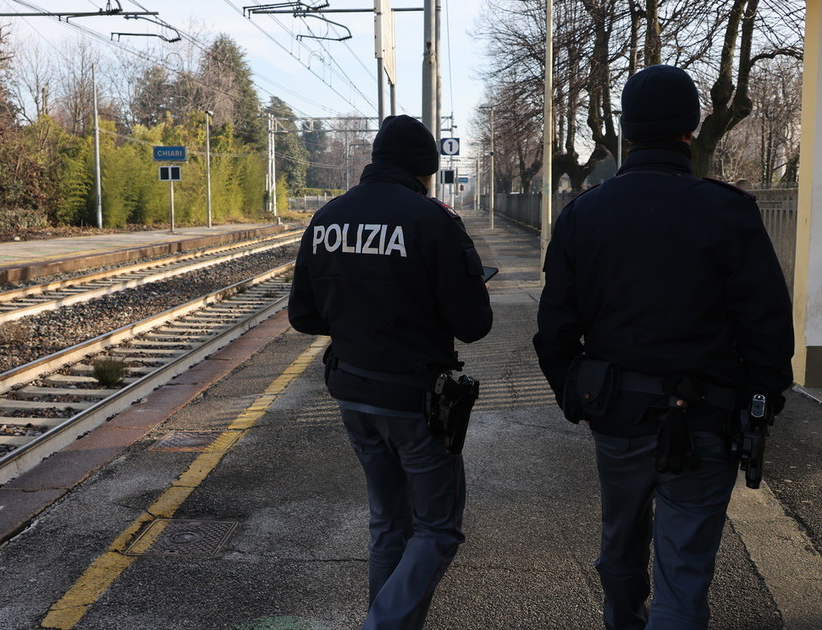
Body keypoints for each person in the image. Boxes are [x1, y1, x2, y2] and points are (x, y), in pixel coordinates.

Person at [533, 64, 795, 630]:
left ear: (626, 133)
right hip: (707, 419)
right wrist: (762, 400)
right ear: (692, 129)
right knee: (684, 569)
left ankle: (622, 618)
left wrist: (575, 393)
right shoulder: (729, 211)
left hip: (617, 412)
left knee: (620, 540)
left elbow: (554, 328)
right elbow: (766, 324)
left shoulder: (584, 214)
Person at [288, 114, 493, 630]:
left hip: (353, 394)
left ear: (375, 161)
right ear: (426, 170)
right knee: (438, 529)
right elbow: (473, 325)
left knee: (387, 523)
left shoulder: (328, 218)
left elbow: (303, 316)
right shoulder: (433, 221)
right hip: (416, 401)